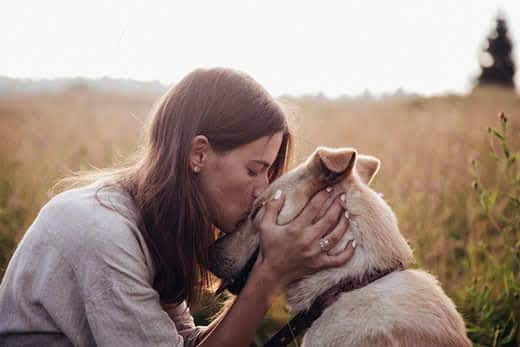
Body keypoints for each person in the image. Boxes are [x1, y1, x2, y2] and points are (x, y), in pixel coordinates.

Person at [0, 68, 355, 346]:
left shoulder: (153, 225)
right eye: (253, 170)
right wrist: (269, 273)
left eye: (269, 173)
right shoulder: (102, 234)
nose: (262, 192)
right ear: (198, 153)